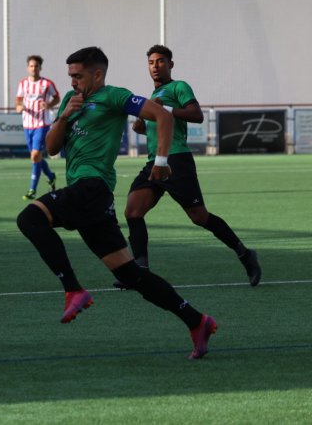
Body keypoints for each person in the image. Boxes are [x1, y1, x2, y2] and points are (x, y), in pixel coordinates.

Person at [16, 46, 217, 360]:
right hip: (89, 196)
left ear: (97, 74)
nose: (73, 82)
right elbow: (52, 148)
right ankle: (197, 321)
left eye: (78, 76)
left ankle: (73, 289)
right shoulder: (70, 100)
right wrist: (65, 117)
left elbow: (162, 116)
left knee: (29, 218)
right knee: (131, 275)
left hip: (93, 187)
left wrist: (161, 161)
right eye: (70, 76)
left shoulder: (114, 96)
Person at [116, 45, 261, 288]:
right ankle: (140, 271)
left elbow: (196, 115)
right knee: (132, 212)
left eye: (161, 61)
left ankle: (245, 254)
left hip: (176, 160)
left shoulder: (179, 87)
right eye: (151, 62)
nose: (155, 66)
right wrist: (142, 122)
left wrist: (165, 109)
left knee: (199, 217)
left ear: (170, 64)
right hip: (154, 161)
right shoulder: (154, 95)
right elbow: (149, 127)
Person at [16, 55, 60, 199]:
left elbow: (57, 98)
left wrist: (49, 105)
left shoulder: (47, 84)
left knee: (35, 155)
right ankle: (51, 176)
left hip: (42, 124)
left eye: (36, 66)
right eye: (31, 66)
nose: (33, 68)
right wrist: (19, 107)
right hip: (27, 125)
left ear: (40, 67)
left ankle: (32, 190)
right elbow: (18, 101)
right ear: (27, 68)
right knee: (36, 157)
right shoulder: (23, 84)